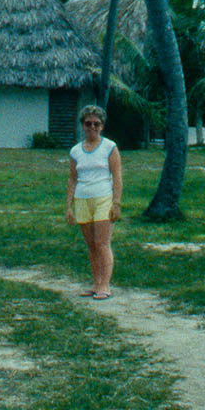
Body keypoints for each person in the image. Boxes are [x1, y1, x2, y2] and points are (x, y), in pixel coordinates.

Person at [65, 105, 122, 299]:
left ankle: (105, 285)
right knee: (91, 245)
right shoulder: (75, 151)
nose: (92, 127)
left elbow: (117, 176)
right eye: (88, 123)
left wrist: (116, 203)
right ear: (82, 125)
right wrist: (68, 207)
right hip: (82, 200)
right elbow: (73, 179)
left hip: (103, 199)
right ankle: (96, 282)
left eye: (96, 124)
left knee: (102, 243)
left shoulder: (110, 148)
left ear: (102, 126)